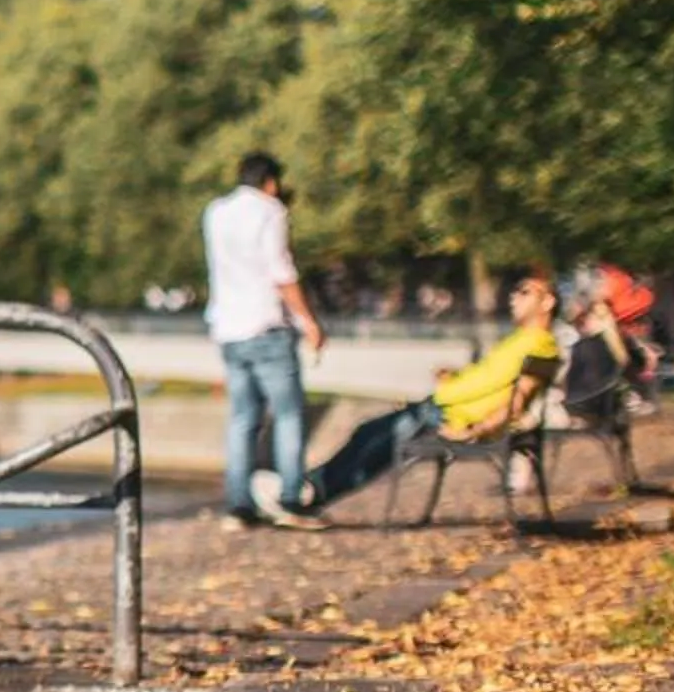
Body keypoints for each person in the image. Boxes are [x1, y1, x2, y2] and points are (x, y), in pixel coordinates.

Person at [289, 268, 563, 516]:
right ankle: (313, 485)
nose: (514, 297)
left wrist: (476, 430)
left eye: (525, 292)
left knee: (377, 444)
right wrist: (455, 378)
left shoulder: (539, 346)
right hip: (440, 409)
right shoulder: (520, 341)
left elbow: (518, 400)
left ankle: (313, 491)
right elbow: (491, 381)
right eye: (515, 291)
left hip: (450, 419)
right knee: (367, 432)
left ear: (547, 302)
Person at [203, 151, 325, 526]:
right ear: (270, 182)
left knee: (242, 418)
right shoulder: (270, 212)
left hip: (228, 328)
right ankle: (290, 499)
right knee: (288, 414)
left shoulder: (215, 211)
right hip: (266, 325)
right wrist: (309, 321)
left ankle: (239, 505)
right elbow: (280, 270)